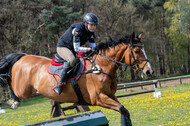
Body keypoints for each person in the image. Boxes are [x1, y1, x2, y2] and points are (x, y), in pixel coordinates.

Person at [53, 13, 99, 95]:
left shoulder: (91, 32)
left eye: (94, 25)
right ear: (86, 23)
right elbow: (77, 48)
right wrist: (89, 49)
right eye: (91, 25)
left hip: (73, 49)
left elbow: (93, 47)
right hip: (63, 47)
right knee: (72, 60)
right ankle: (60, 83)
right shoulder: (77, 30)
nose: (93, 27)